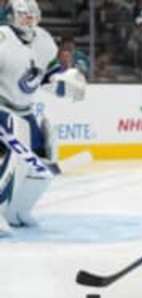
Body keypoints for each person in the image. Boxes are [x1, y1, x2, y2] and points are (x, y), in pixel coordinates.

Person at [0, 0, 83, 235]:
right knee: (18, 145)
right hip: (2, 108)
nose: (29, 20)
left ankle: (18, 210)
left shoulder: (44, 40)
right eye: (24, 15)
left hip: (25, 110)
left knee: (45, 154)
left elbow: (48, 74)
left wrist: (66, 83)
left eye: (32, 15)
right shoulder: (2, 39)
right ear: (11, 16)